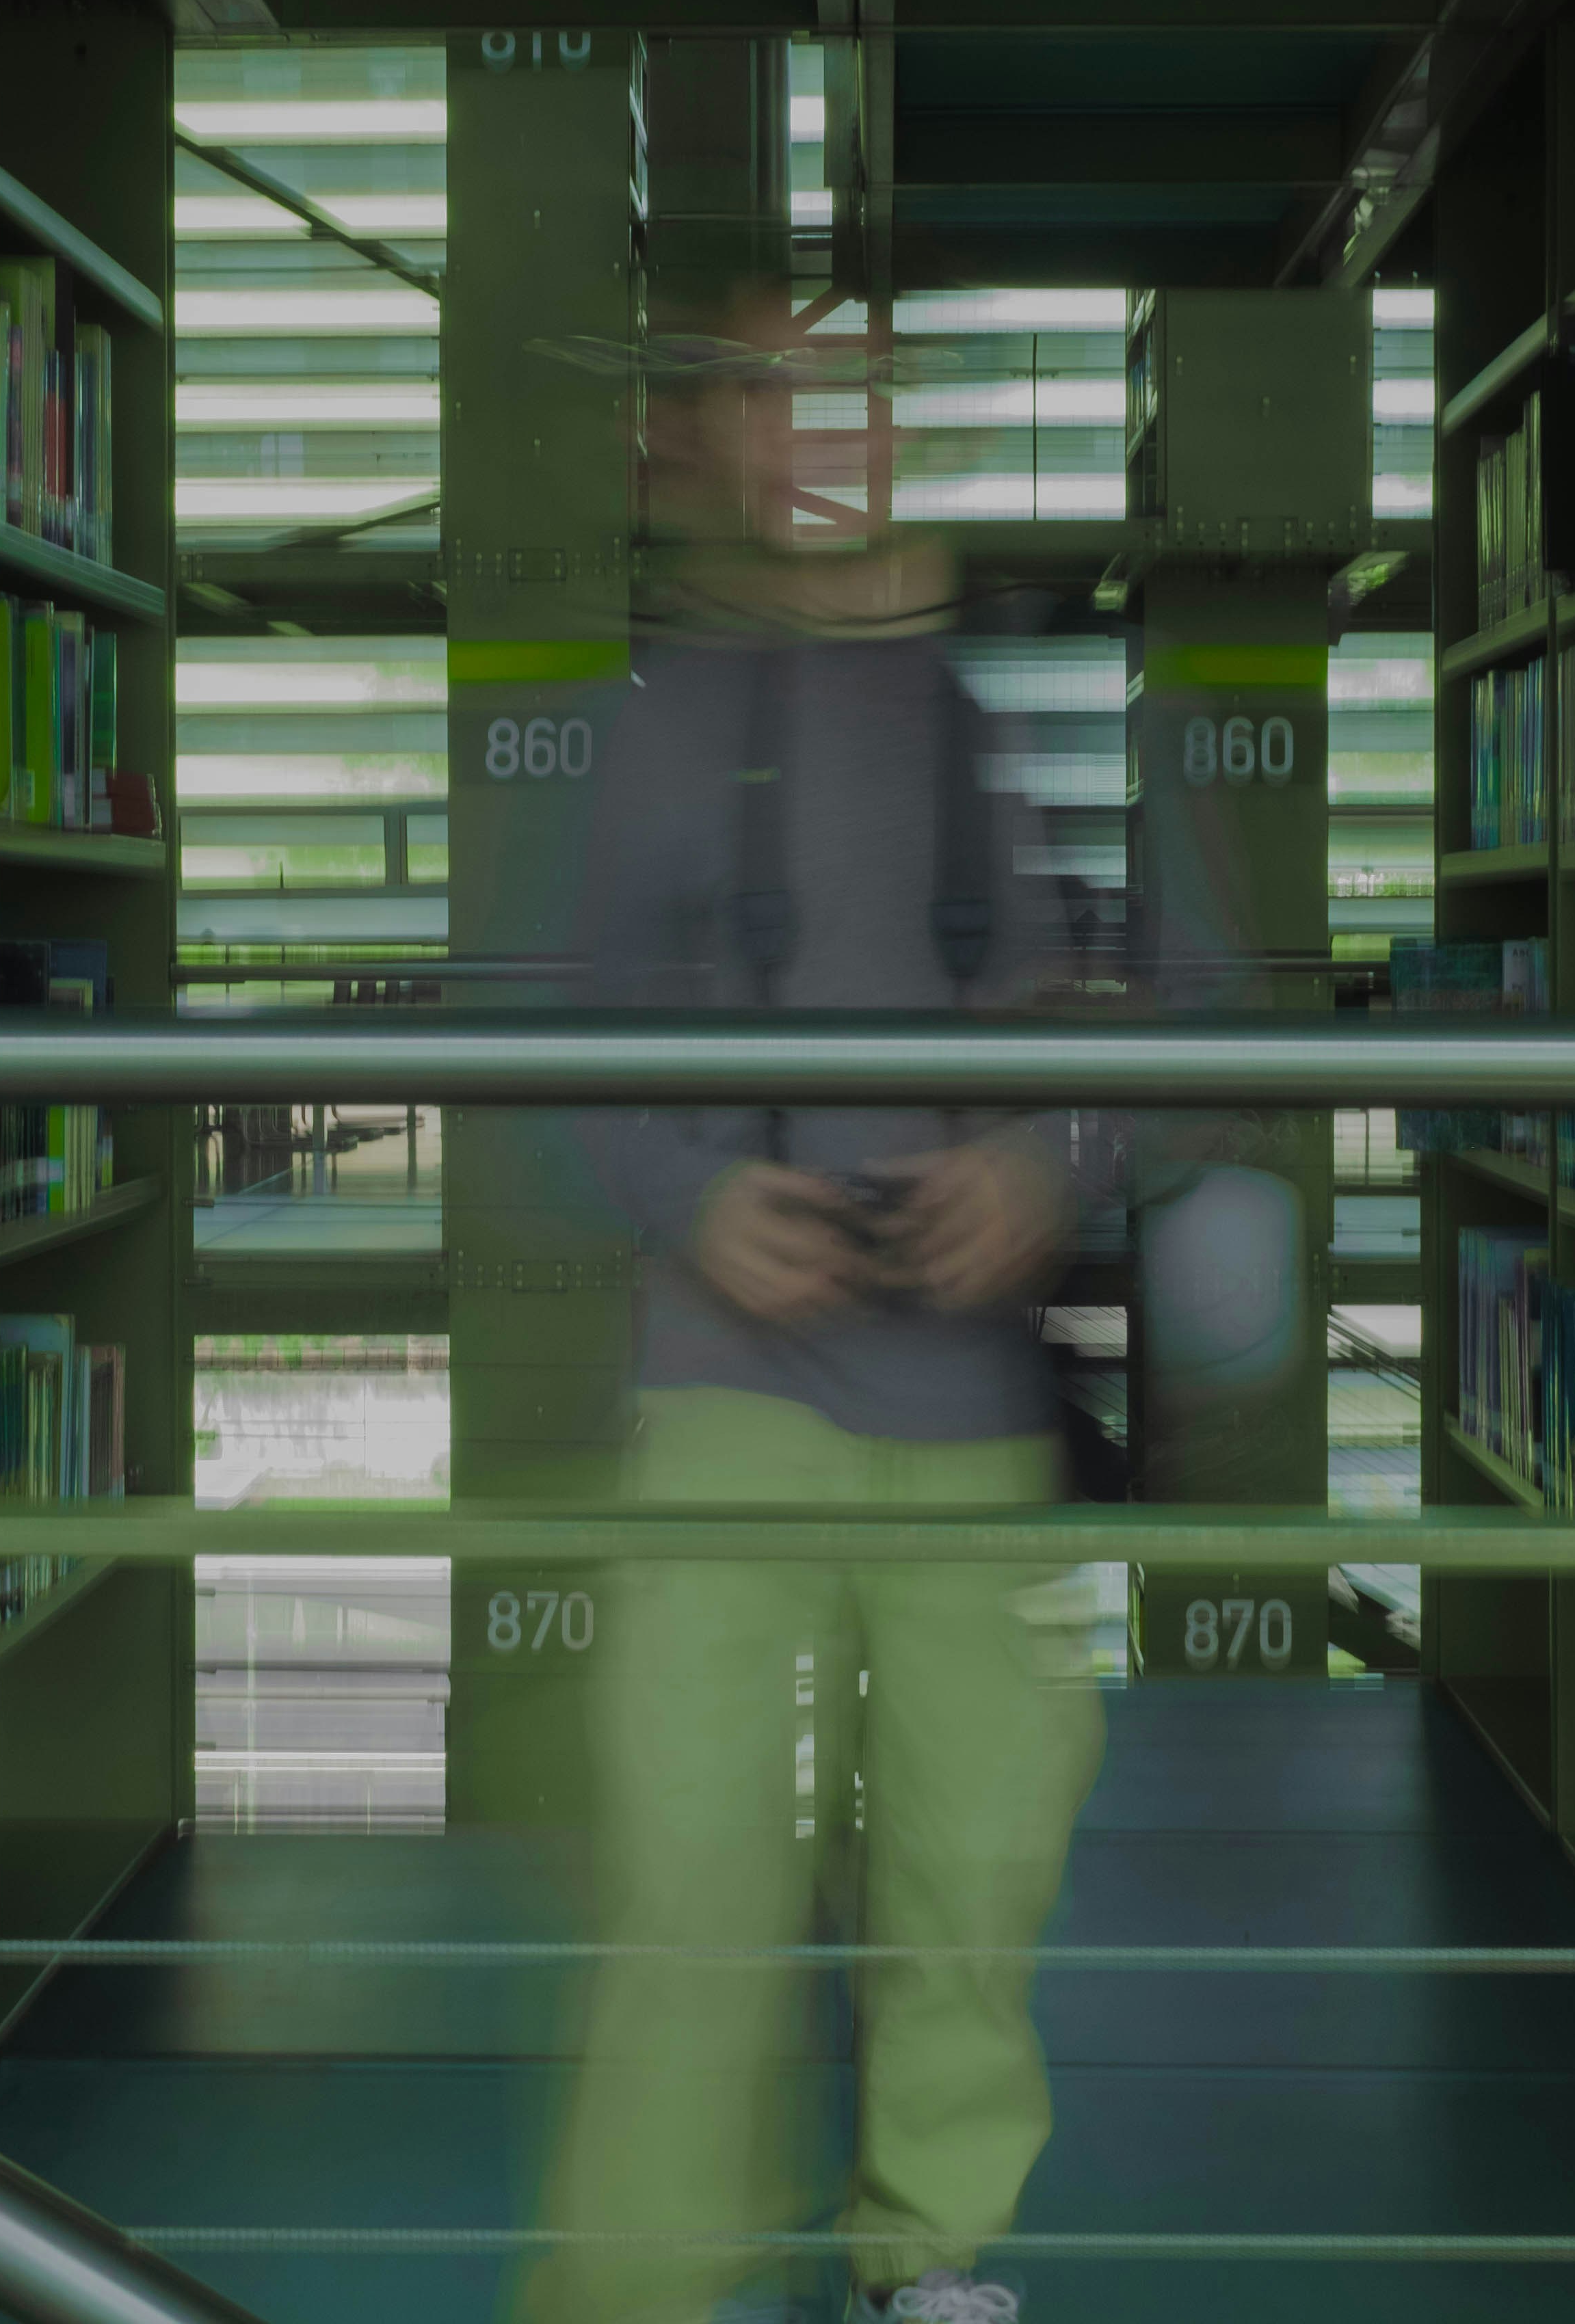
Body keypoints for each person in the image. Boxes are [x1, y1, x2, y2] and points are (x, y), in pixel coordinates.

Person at [518, 349, 1102, 2324]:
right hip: (721, 1406)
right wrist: (700, 1200)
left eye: (852, 394)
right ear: (716, 439)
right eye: (775, 393)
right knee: (690, 1880)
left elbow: (1066, 1038)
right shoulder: (651, 726)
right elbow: (554, 1049)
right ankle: (646, 2292)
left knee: (970, 1878)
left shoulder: (966, 731)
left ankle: (928, 2260)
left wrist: (1036, 1166)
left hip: (967, 1411)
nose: (817, 434)